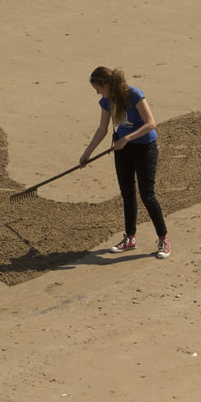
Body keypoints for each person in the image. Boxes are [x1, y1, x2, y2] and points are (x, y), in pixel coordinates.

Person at [80, 66, 170, 258]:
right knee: (127, 194)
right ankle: (130, 238)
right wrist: (86, 154)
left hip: (145, 149)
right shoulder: (106, 101)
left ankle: (163, 238)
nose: (97, 92)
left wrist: (127, 139)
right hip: (122, 151)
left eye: (98, 88)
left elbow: (150, 123)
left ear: (106, 84)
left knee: (147, 195)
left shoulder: (134, 94)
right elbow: (102, 129)